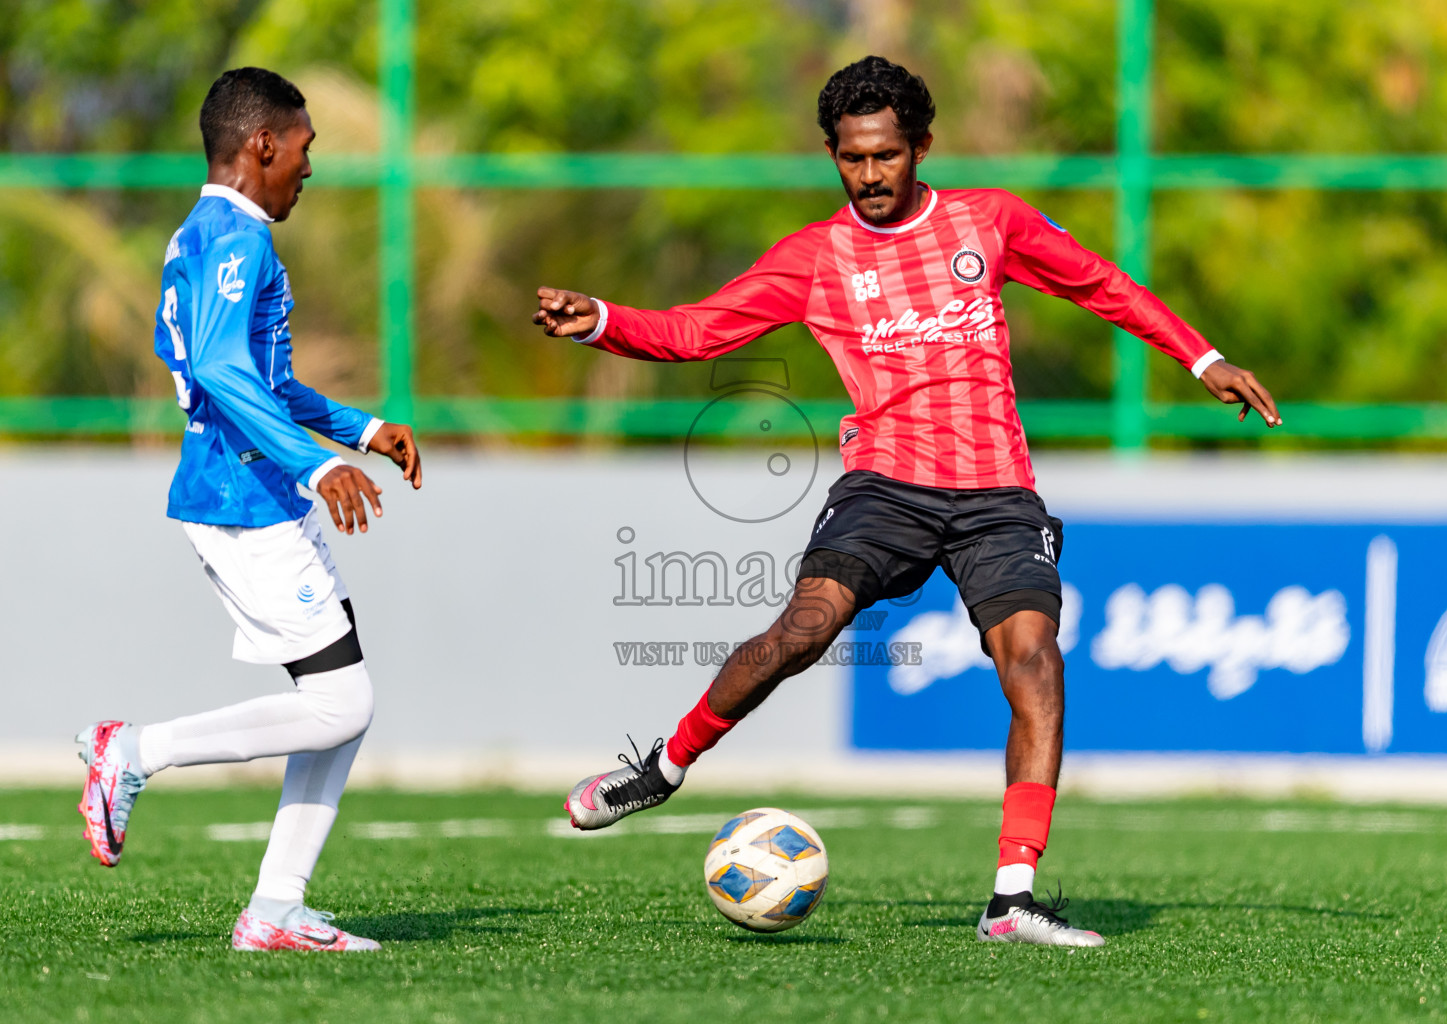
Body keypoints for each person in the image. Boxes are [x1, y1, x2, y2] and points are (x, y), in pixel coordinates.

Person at [532, 55, 1280, 947]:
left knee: (1036, 661)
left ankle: (1012, 899)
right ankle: (664, 766)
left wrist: (1203, 359)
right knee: (800, 633)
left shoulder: (988, 222)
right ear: (832, 154)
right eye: (852, 159)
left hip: (997, 489)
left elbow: (1100, 285)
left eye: (887, 155)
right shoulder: (816, 258)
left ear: (921, 146)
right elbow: (701, 331)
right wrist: (608, 321)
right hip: (886, 484)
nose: (870, 175)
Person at [75, 67, 422, 953]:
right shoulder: (239, 242)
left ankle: (275, 912)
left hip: (251, 490)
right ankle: (131, 751)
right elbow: (227, 378)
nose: (310, 168)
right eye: (304, 149)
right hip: (246, 498)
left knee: (338, 704)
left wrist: (363, 427)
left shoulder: (203, 234)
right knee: (344, 704)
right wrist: (317, 467)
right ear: (262, 144)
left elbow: (257, 377)